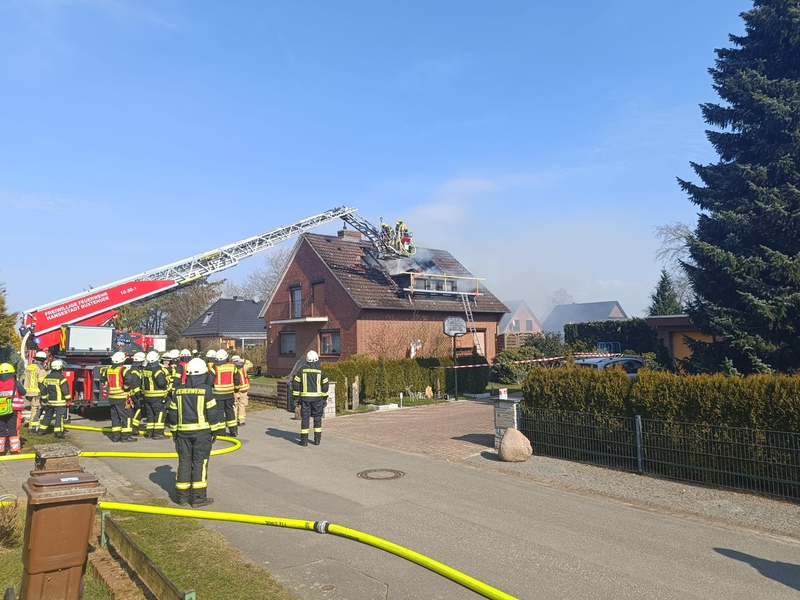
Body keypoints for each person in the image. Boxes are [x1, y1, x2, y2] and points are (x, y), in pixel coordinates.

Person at [166, 357, 222, 507]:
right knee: (199, 463)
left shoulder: (178, 391)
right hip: (202, 434)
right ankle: (198, 498)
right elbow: (212, 412)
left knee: (184, 462)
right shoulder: (206, 390)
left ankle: (182, 498)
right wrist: (214, 431)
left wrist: (174, 432)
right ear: (203, 373)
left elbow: (173, 414)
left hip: (182, 434)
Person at [292, 350, 329, 447]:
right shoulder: (321, 371)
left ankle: (304, 440)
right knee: (317, 418)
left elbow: (296, 384)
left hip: (305, 399)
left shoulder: (301, 370)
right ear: (317, 359)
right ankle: (317, 440)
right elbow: (325, 385)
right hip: (318, 399)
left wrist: (296, 398)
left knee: (305, 418)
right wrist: (324, 398)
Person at [101, 351, 137, 442]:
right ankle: (126, 437)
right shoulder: (123, 370)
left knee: (115, 418)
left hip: (112, 398)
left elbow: (102, 380)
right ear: (122, 361)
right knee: (127, 417)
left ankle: (115, 437)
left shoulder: (107, 370)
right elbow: (129, 380)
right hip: (122, 397)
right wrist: (125, 388)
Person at [38, 359, 71, 439]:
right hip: (60, 402)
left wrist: (44, 399)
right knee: (59, 417)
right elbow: (65, 390)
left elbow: (43, 389)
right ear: (59, 367)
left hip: (50, 402)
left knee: (47, 416)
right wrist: (68, 399)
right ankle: (58, 433)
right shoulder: (61, 378)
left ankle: (41, 431)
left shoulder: (47, 377)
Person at [141, 350, 169, 439]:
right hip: (157, 397)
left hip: (147, 396)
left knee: (150, 415)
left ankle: (149, 433)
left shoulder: (146, 369)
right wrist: (167, 380)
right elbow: (161, 383)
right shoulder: (157, 370)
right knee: (160, 414)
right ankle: (158, 433)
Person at [0, 363, 26, 454]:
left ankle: (1, 451)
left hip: (1, 410)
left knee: (1, 429)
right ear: (12, 373)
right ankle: (14, 450)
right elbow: (23, 392)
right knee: (13, 429)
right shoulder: (15, 383)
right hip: (13, 410)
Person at [211, 349, 238, 437]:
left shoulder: (215, 366)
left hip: (218, 394)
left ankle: (221, 431)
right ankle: (233, 430)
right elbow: (237, 379)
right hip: (229, 393)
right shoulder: (232, 366)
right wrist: (236, 389)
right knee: (229, 411)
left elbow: (210, 380)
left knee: (219, 412)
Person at [23, 351, 48, 433]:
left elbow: (24, 379)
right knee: (36, 409)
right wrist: (44, 396)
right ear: (43, 360)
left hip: (27, 392)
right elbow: (42, 384)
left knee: (33, 408)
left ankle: (33, 426)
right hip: (36, 393)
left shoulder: (29, 367)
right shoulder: (41, 369)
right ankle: (32, 428)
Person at [129, 351, 146, 435]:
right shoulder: (135, 371)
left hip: (134, 393)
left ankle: (132, 427)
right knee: (139, 409)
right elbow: (135, 384)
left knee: (135, 410)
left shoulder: (134, 369)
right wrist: (139, 395)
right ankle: (134, 427)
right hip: (135, 394)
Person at [232, 355, 250, 427]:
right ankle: (241, 421)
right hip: (243, 389)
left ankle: (234, 420)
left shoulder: (231, 367)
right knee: (242, 405)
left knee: (234, 405)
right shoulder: (244, 367)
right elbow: (251, 364)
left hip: (235, 390)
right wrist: (243, 360)